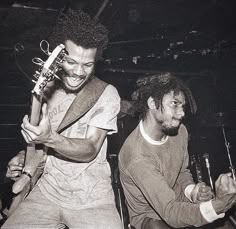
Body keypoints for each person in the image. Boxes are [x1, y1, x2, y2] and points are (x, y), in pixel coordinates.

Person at [3, 9, 122, 229]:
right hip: (47, 193)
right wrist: (23, 158)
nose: (79, 72)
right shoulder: (45, 91)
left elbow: (90, 148)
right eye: (71, 62)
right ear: (57, 57)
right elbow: (40, 146)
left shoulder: (105, 93)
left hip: (92, 200)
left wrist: (50, 138)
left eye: (88, 64)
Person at [118, 73, 236, 229]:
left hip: (177, 203)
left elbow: (181, 172)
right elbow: (170, 212)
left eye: (183, 106)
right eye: (174, 103)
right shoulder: (136, 156)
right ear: (152, 103)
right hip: (151, 217)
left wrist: (193, 191)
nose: (182, 113)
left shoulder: (180, 132)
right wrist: (218, 205)